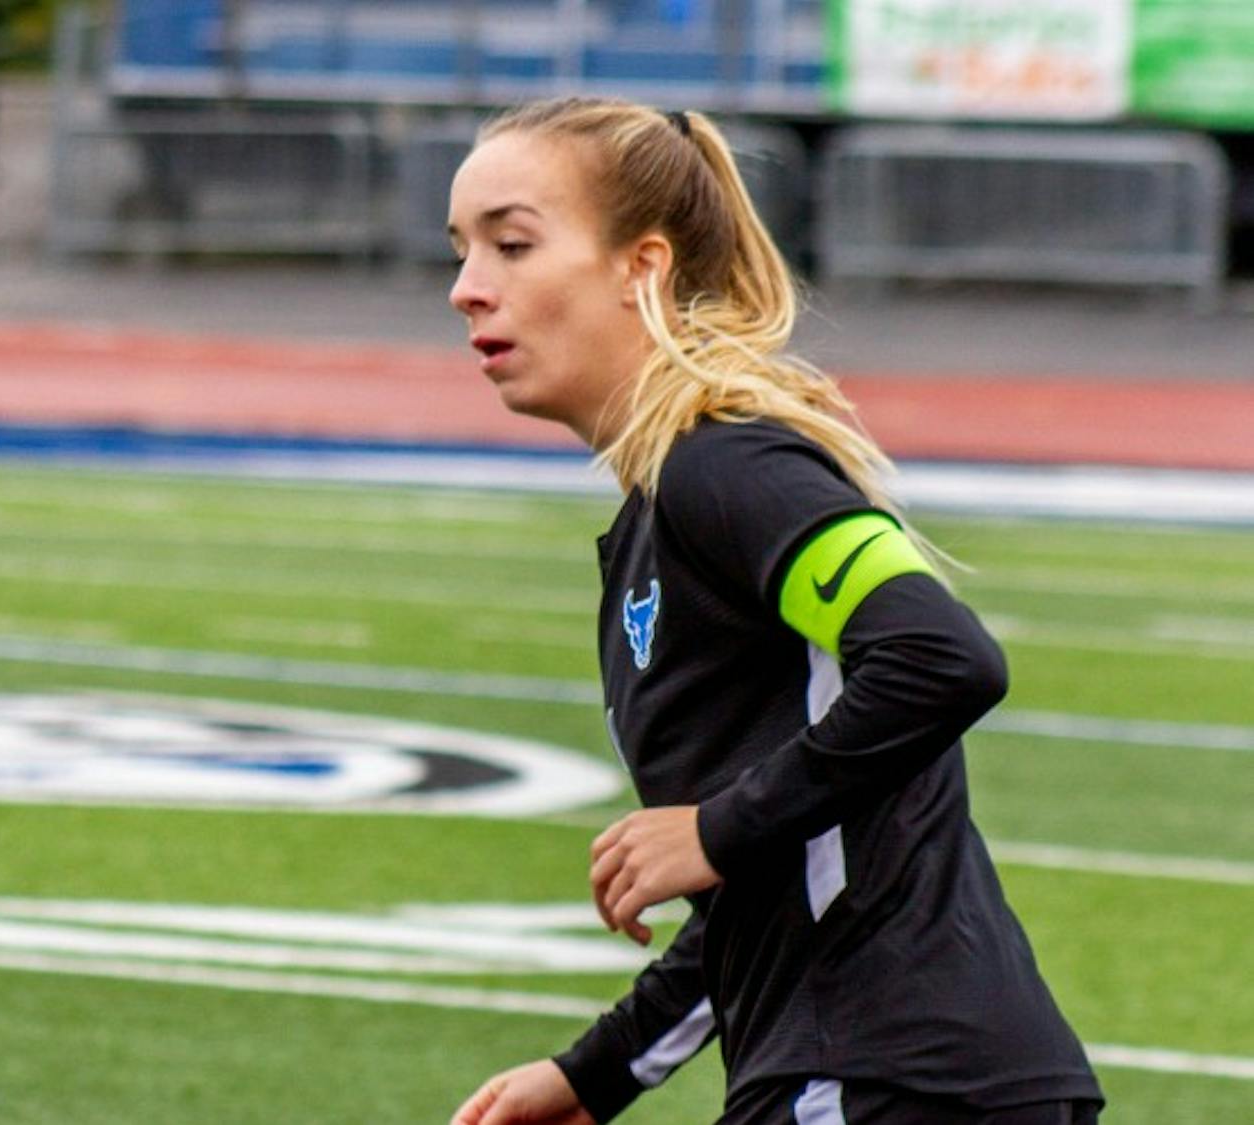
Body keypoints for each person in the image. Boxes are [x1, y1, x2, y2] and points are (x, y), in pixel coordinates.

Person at [444, 97, 1104, 1125]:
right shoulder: (665, 511)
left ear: (642, 268)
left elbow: (940, 657)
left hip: (885, 1079)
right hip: (902, 1076)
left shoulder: (728, 467)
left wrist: (713, 825)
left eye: (512, 244)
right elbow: (775, 880)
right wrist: (599, 1072)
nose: (466, 288)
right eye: (461, 249)